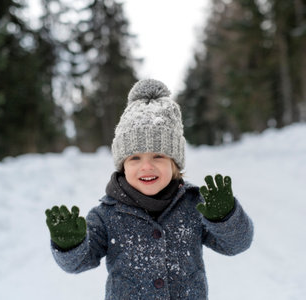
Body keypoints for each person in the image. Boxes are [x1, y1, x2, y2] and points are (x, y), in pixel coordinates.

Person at [45, 79, 254, 299]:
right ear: (122, 165)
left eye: (158, 156)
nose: (146, 166)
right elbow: (79, 262)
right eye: (134, 157)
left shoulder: (194, 204)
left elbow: (236, 244)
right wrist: (70, 245)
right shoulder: (107, 214)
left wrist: (225, 217)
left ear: (174, 162)